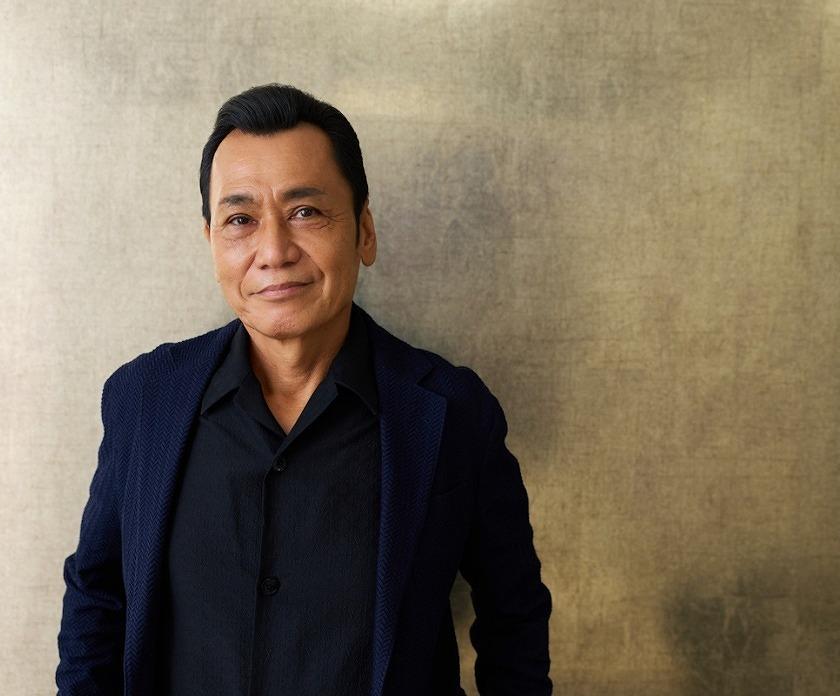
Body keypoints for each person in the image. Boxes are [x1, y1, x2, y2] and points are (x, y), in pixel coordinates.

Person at [55, 83, 552, 696]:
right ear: (211, 242)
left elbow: (514, 615)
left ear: (364, 231)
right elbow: (97, 595)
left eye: (306, 212)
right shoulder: (144, 400)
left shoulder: (452, 414)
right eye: (240, 220)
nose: (273, 251)